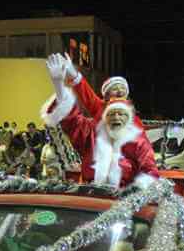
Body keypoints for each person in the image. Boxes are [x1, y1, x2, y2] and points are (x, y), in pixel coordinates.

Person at [41, 54, 159, 188]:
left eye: (121, 114)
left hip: (123, 196)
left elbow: (149, 169)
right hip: (91, 192)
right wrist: (59, 85)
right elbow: (73, 117)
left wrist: (137, 190)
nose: (116, 118)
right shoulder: (92, 131)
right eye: (112, 114)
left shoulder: (138, 139)